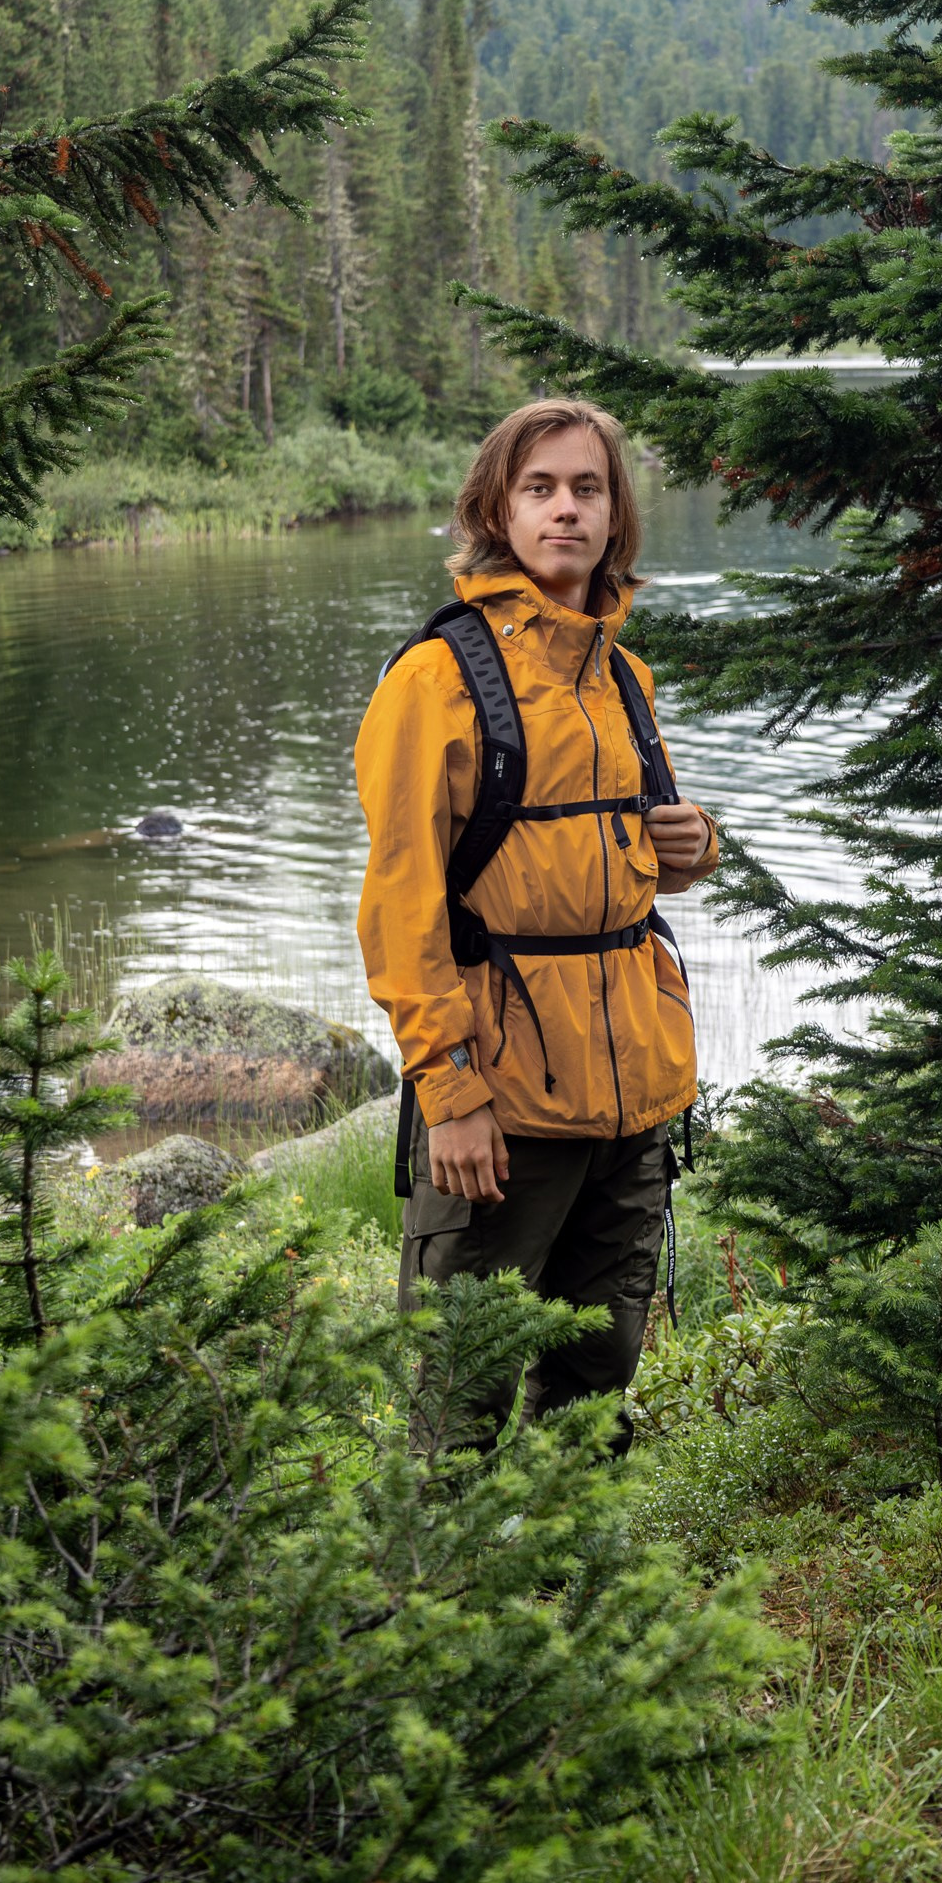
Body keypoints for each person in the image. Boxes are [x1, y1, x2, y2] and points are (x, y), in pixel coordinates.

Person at [355, 396, 718, 1443]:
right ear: (496, 511)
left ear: (615, 516)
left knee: (595, 1380)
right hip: (501, 1106)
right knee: (460, 1389)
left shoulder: (619, 676)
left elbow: (625, 860)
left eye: (587, 488)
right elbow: (398, 903)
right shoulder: (436, 680)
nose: (566, 509)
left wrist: (693, 846)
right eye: (540, 488)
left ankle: (580, 1591)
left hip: (630, 1101)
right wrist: (448, 1090)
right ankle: (437, 1601)